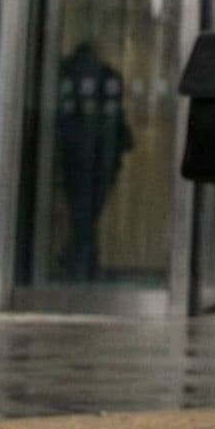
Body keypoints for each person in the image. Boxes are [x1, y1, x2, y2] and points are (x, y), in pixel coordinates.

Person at [50, 41, 133, 281]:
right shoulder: (106, 75)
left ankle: (79, 260)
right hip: (98, 155)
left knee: (82, 213)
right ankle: (81, 261)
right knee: (86, 213)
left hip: (77, 154)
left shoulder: (65, 72)